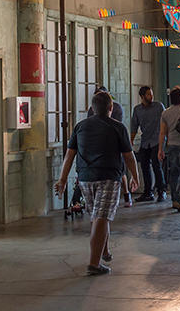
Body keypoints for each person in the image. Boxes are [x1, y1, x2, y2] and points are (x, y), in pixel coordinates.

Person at [56, 91, 140, 276]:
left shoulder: (80, 126)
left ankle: (105, 251)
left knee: (98, 217)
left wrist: (62, 180)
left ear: (92, 109)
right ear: (111, 108)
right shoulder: (118, 127)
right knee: (101, 218)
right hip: (109, 177)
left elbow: (69, 155)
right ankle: (94, 264)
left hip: (85, 178)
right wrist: (135, 176)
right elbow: (128, 156)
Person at [130, 86, 166, 203]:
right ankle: (148, 192)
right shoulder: (137, 110)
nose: (151, 96)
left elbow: (166, 122)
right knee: (144, 166)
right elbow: (134, 127)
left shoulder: (159, 106)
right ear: (142, 96)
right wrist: (130, 142)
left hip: (157, 140)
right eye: (148, 94)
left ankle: (161, 191)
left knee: (157, 166)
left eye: (151, 94)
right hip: (145, 141)